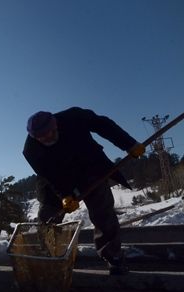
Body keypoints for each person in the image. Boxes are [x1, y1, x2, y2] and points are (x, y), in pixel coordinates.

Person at [22, 108, 145, 275]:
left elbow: (104, 125)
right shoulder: (31, 149)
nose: (47, 139)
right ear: (34, 136)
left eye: (49, 134)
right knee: (48, 218)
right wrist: (64, 195)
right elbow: (49, 175)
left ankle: (113, 257)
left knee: (103, 213)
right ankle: (48, 257)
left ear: (55, 124)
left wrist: (128, 143)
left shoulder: (75, 117)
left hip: (89, 168)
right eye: (41, 138)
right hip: (55, 181)